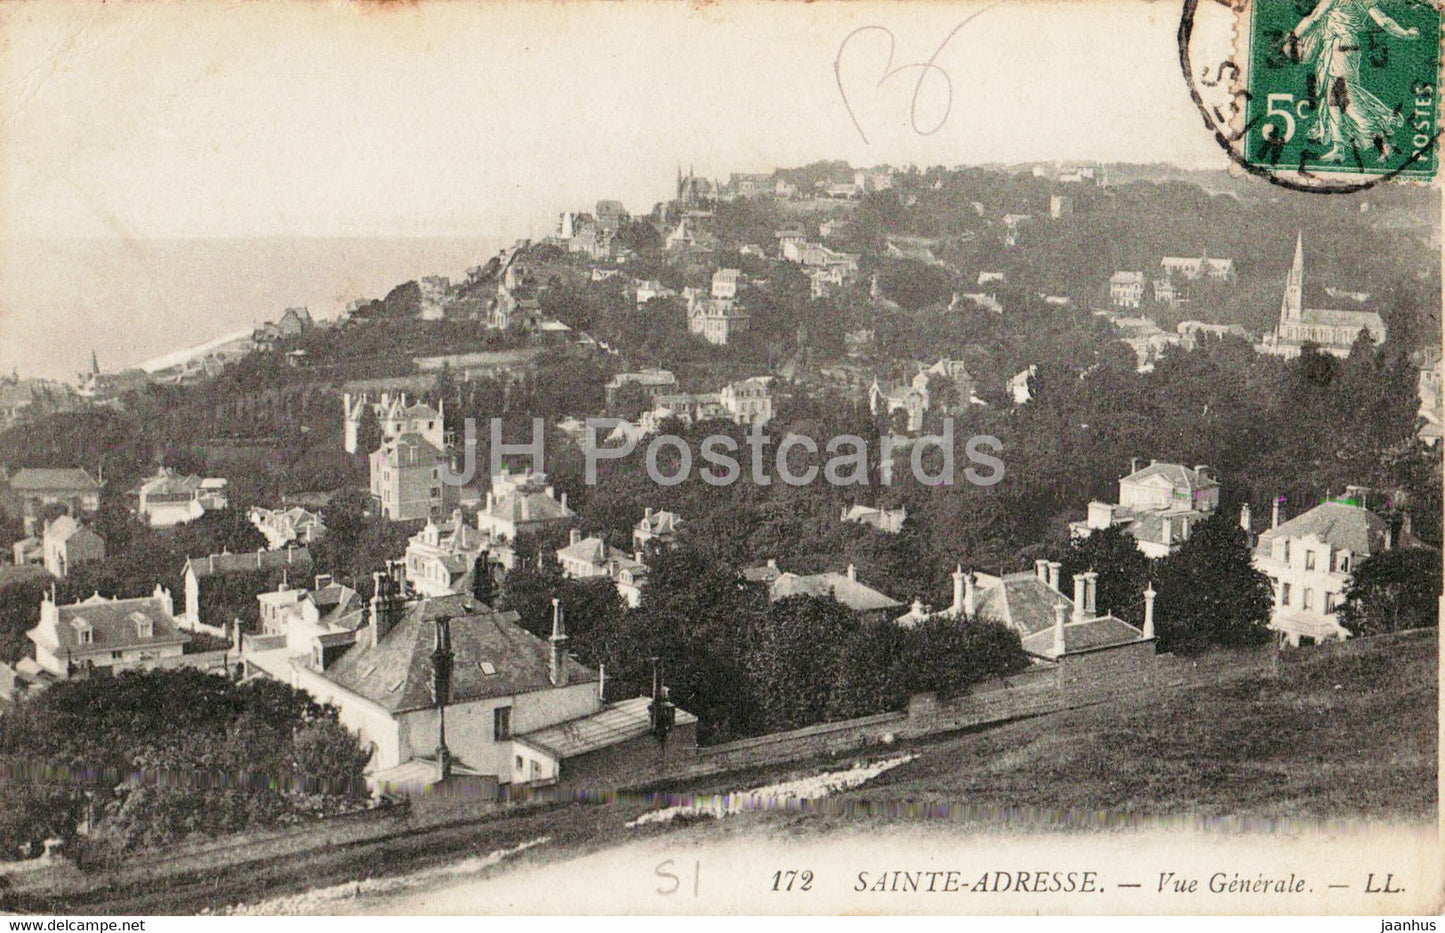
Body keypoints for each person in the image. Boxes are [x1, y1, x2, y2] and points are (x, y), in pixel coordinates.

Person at [1286, 0, 1419, 162]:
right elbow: (1383, 21)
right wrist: (1404, 33)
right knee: (1333, 100)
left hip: (1339, 47)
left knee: (1348, 98)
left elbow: (1313, 17)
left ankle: (1383, 139)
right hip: (1346, 47)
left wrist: (1293, 36)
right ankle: (1339, 148)